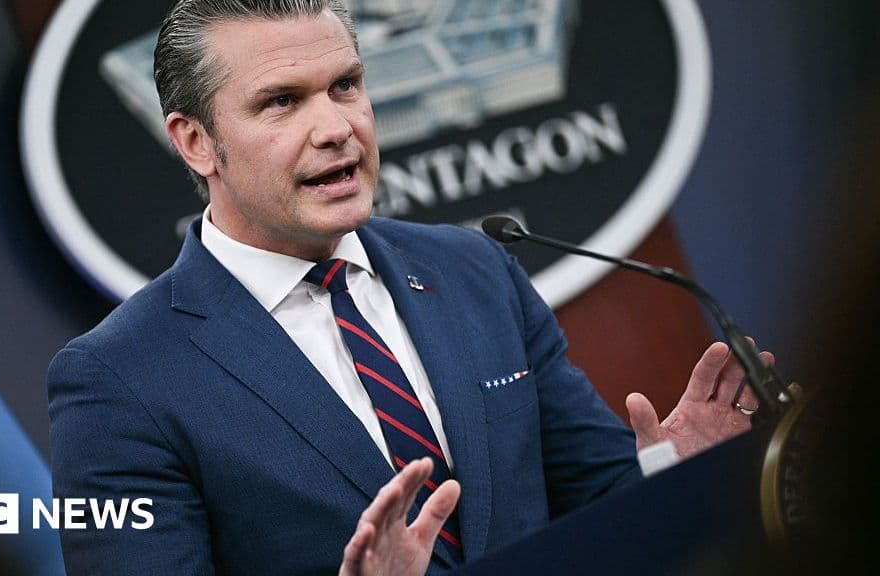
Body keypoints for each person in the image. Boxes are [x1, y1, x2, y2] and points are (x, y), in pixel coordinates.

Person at [46, 1, 770, 574]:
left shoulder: (474, 271)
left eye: (345, 86)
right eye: (281, 102)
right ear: (196, 141)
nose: (336, 127)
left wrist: (674, 471)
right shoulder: (119, 378)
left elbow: (594, 498)